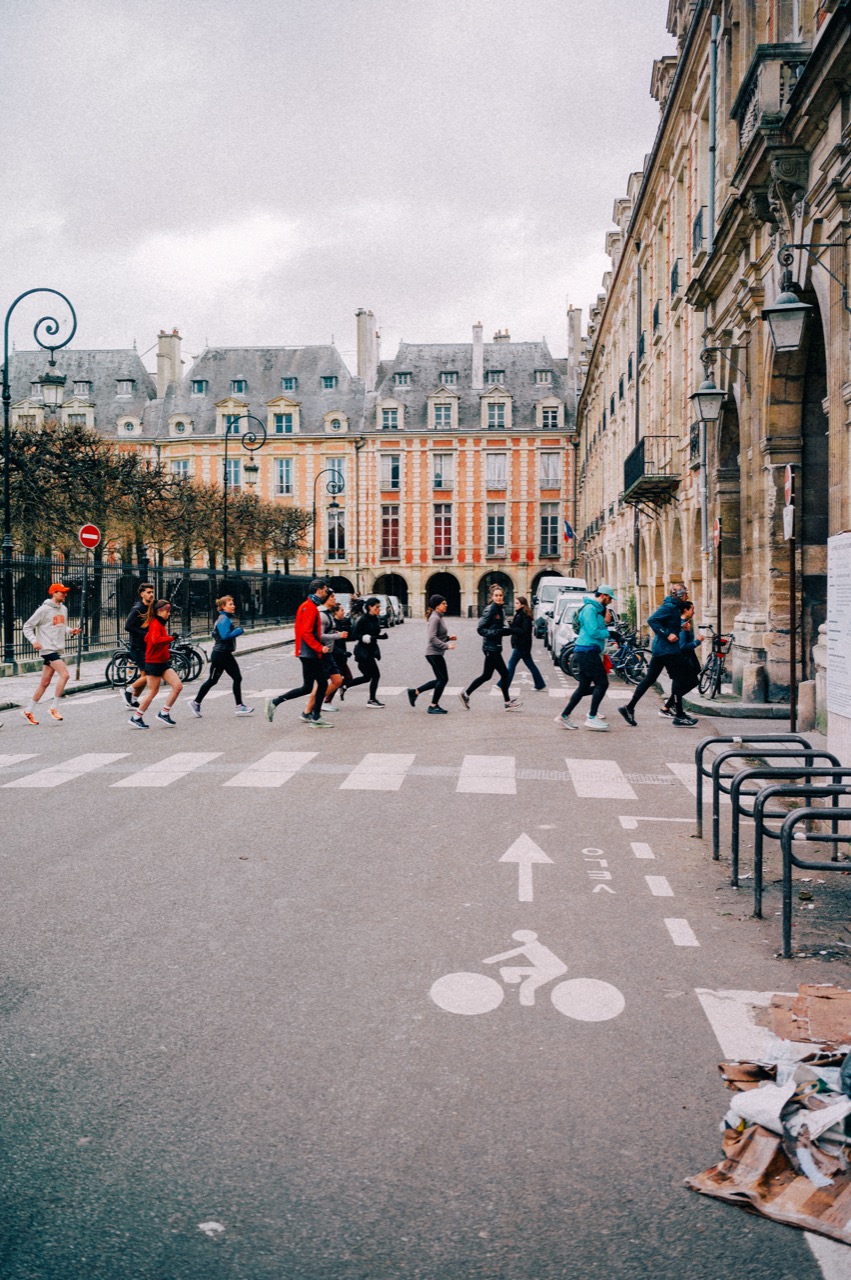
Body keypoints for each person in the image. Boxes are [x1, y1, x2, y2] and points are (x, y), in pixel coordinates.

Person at [264, 580, 334, 727]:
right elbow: (307, 633)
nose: (326, 593)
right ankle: (315, 717)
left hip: (306, 652)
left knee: (308, 687)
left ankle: (276, 702)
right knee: (321, 683)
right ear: (319, 590)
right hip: (310, 653)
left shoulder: (307, 606)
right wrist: (319, 648)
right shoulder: (310, 607)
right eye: (325, 590)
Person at [618, 582, 688, 727]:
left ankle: (629, 707)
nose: (687, 596)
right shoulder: (669, 607)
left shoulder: (674, 607)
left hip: (663, 650)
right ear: (679, 594)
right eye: (685, 593)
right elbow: (652, 620)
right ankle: (679, 715)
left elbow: (666, 623)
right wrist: (668, 634)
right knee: (679, 678)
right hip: (667, 650)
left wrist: (680, 627)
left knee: (650, 679)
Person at [555, 585, 615, 730]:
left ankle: (564, 716)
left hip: (587, 650)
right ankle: (592, 717)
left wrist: (606, 626)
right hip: (587, 651)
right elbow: (593, 631)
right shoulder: (590, 609)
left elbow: (595, 629)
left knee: (583, 687)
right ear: (603, 596)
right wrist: (609, 633)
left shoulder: (596, 609)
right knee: (602, 683)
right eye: (610, 598)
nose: (611, 601)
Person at [21, 583, 81, 724]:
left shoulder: (64, 609)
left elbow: (60, 626)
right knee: (65, 675)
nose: (65, 595)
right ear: (54, 593)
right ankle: (53, 707)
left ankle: (28, 710)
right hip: (47, 648)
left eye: (65, 592)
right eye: (62, 592)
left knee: (45, 682)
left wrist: (71, 630)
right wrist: (34, 641)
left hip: (56, 648)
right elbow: (27, 626)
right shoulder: (43, 610)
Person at [186, 595, 253, 717]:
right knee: (218, 679)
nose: (233, 606)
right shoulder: (224, 619)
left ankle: (197, 703)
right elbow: (225, 636)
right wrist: (238, 630)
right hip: (221, 655)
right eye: (230, 604)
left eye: (233, 603)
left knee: (221, 679)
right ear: (223, 607)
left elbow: (215, 634)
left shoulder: (222, 618)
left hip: (223, 654)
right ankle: (238, 706)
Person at [460, 584, 522, 711]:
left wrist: (507, 629)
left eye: (500, 595)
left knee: (487, 675)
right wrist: (495, 633)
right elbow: (480, 629)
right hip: (491, 648)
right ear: (492, 597)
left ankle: (466, 694)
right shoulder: (491, 609)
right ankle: (507, 702)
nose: (498, 598)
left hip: (494, 647)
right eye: (496, 596)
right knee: (505, 674)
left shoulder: (500, 609)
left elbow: (499, 628)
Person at [130, 599, 183, 728]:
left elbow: (149, 638)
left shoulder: (159, 624)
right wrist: (171, 638)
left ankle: (164, 713)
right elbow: (155, 640)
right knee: (152, 692)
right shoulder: (155, 624)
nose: (169, 614)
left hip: (162, 662)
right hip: (154, 663)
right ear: (160, 611)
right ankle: (136, 717)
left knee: (178, 686)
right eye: (167, 611)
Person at [407, 594, 456, 714]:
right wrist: (446, 646)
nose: (446, 605)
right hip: (433, 653)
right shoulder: (435, 618)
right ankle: (433, 706)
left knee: (441, 679)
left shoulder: (438, 616)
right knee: (443, 679)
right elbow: (432, 638)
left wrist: (449, 638)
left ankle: (415, 692)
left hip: (435, 653)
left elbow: (438, 636)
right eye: (443, 603)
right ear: (437, 606)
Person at [659, 600, 700, 726]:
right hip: (679, 658)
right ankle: (678, 714)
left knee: (688, 682)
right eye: (692, 609)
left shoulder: (684, 624)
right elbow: (682, 646)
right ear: (686, 610)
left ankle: (669, 707)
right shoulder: (681, 624)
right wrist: (697, 642)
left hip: (682, 658)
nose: (694, 612)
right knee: (684, 683)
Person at [305, 590, 345, 717]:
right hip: (322, 653)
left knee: (337, 681)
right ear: (326, 599)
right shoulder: (322, 615)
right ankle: (308, 710)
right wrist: (337, 636)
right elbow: (320, 636)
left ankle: (315, 704)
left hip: (329, 652)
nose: (334, 599)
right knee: (320, 684)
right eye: (332, 597)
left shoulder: (327, 613)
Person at [346, 597, 388, 706]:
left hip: (370, 651)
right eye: (377, 607)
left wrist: (380, 637)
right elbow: (355, 635)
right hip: (363, 652)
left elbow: (373, 634)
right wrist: (366, 638)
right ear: (370, 607)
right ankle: (371, 700)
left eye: (379, 607)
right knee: (376, 675)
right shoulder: (363, 619)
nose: (379, 609)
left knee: (367, 677)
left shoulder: (375, 618)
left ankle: (345, 685)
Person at [122, 581, 155, 708]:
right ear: (142, 594)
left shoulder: (151, 607)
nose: (151, 595)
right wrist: (144, 635)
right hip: (137, 646)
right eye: (148, 592)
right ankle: (128, 691)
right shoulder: (137, 609)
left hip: (147, 646)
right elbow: (128, 626)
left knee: (144, 675)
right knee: (148, 674)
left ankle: (133, 699)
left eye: (152, 592)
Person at [506, 595, 547, 693]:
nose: (515, 605)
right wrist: (512, 625)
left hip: (522, 645)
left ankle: (503, 684)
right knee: (530, 664)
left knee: (511, 664)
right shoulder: (520, 614)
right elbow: (520, 627)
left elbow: (525, 630)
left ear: (522, 605)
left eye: (517, 603)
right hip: (523, 645)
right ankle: (540, 683)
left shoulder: (524, 615)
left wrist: (512, 628)